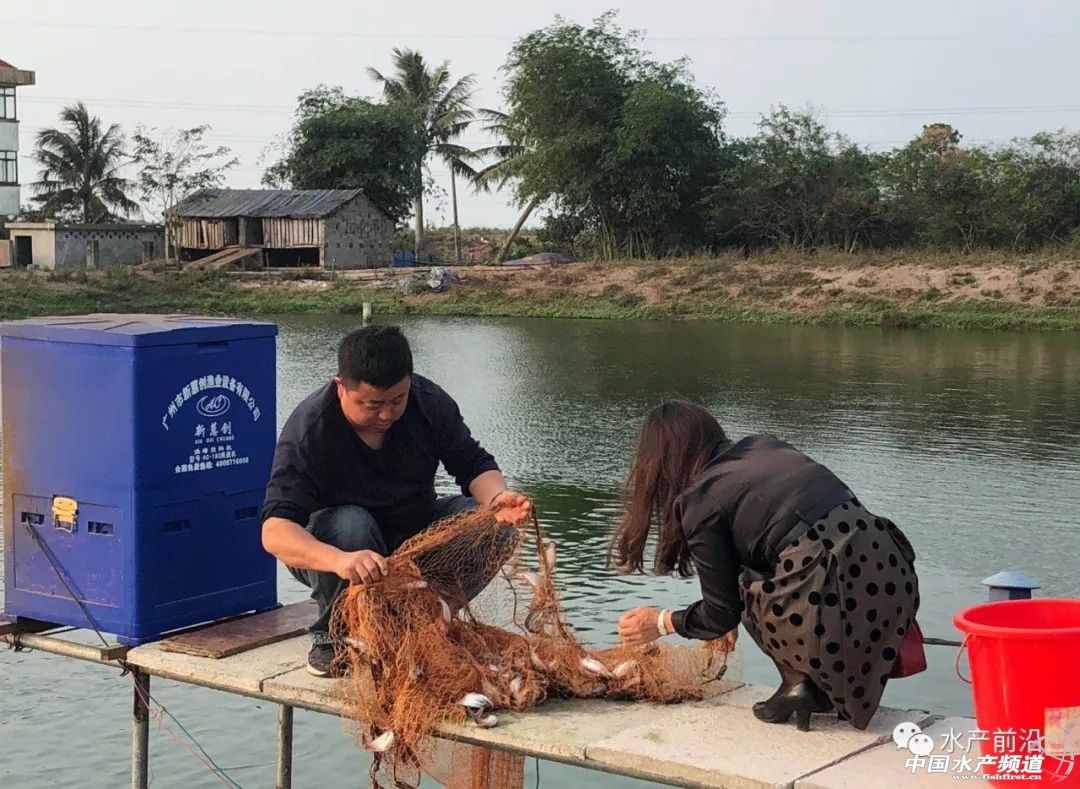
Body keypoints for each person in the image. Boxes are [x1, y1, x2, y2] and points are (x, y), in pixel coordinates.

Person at [609, 400, 920, 731]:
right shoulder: (764, 445)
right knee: (766, 567)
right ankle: (814, 687)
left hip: (830, 580)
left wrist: (659, 622)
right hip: (891, 571)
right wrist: (719, 615)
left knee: (750, 585)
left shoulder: (700, 500)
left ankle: (797, 683)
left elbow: (723, 609)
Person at [260, 324, 531, 677]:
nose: (386, 415)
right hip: (338, 549)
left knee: (493, 527)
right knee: (352, 524)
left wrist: (498, 500)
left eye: (397, 401)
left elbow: (474, 464)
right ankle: (335, 636)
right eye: (372, 405)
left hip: (413, 533)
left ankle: (425, 620)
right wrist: (339, 560)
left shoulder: (429, 402)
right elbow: (275, 531)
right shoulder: (311, 429)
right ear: (341, 386)